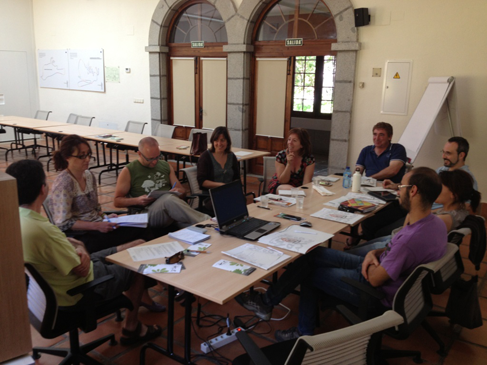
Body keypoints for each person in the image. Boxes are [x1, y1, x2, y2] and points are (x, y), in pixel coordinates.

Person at [236, 167, 447, 342]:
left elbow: (374, 279)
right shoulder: (435, 223)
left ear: (413, 191)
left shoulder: (410, 241)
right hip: (379, 267)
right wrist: (373, 251)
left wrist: (370, 259)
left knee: (308, 274)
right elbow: (394, 246)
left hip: (373, 290)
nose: (398, 191)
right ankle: (267, 302)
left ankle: (303, 333)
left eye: (401, 187)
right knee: (312, 254)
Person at [7, 159, 162, 346]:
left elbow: (68, 243)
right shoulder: (43, 230)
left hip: (52, 290)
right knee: (136, 262)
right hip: (82, 289)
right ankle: (132, 327)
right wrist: (80, 246)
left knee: (139, 243)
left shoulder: (16, 220)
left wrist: (76, 245)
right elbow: (81, 266)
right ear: (43, 189)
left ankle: (138, 305)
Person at [48, 135, 152, 254]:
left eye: (88, 154)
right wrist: (96, 226)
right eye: (82, 156)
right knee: (136, 235)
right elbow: (63, 223)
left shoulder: (88, 175)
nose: (87, 159)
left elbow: (95, 208)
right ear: (67, 157)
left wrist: (105, 217)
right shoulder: (64, 183)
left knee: (144, 227)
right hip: (81, 235)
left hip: (98, 225)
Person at [349, 169, 481, 256]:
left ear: (453, 195)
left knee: (355, 253)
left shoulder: (444, 219)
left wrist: (413, 203)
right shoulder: (458, 209)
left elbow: (409, 230)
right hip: (396, 241)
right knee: (362, 248)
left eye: (441, 187)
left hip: (396, 246)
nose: (437, 188)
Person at [114, 136, 210, 229]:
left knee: (199, 229)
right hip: (145, 214)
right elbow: (117, 201)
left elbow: (182, 192)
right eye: (150, 159)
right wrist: (137, 200)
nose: (155, 162)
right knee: (168, 199)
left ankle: (211, 227)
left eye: (157, 157)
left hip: (169, 211)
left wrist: (178, 191)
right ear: (139, 154)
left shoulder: (165, 165)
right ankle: (208, 221)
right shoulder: (129, 170)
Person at [268, 128, 315, 194]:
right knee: (289, 189)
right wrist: (289, 164)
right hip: (280, 185)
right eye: (289, 139)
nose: (290, 142)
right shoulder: (281, 155)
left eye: (294, 140)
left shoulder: (309, 159)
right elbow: (283, 181)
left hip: (299, 189)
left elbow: (306, 183)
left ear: (302, 145)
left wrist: (303, 192)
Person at [197, 126, 239, 191]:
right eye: (216, 140)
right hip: (211, 195)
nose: (219, 144)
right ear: (213, 141)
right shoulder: (205, 157)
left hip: (229, 192)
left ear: (227, 142)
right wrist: (222, 185)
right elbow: (202, 181)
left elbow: (237, 177)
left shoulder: (231, 156)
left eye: (222, 140)